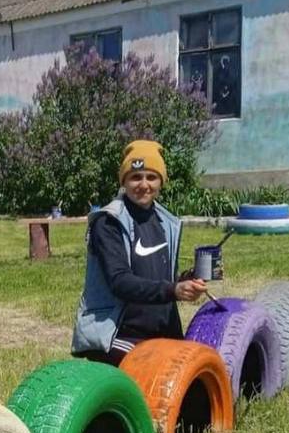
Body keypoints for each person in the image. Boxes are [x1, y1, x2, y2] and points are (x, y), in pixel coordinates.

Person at [72, 140, 207, 366]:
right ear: (124, 180)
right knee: (152, 386)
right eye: (135, 177)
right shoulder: (108, 222)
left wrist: (187, 281)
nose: (143, 185)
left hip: (162, 332)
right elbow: (120, 282)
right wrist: (173, 290)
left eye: (151, 177)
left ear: (161, 182)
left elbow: (159, 280)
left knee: (197, 388)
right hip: (119, 334)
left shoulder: (165, 222)